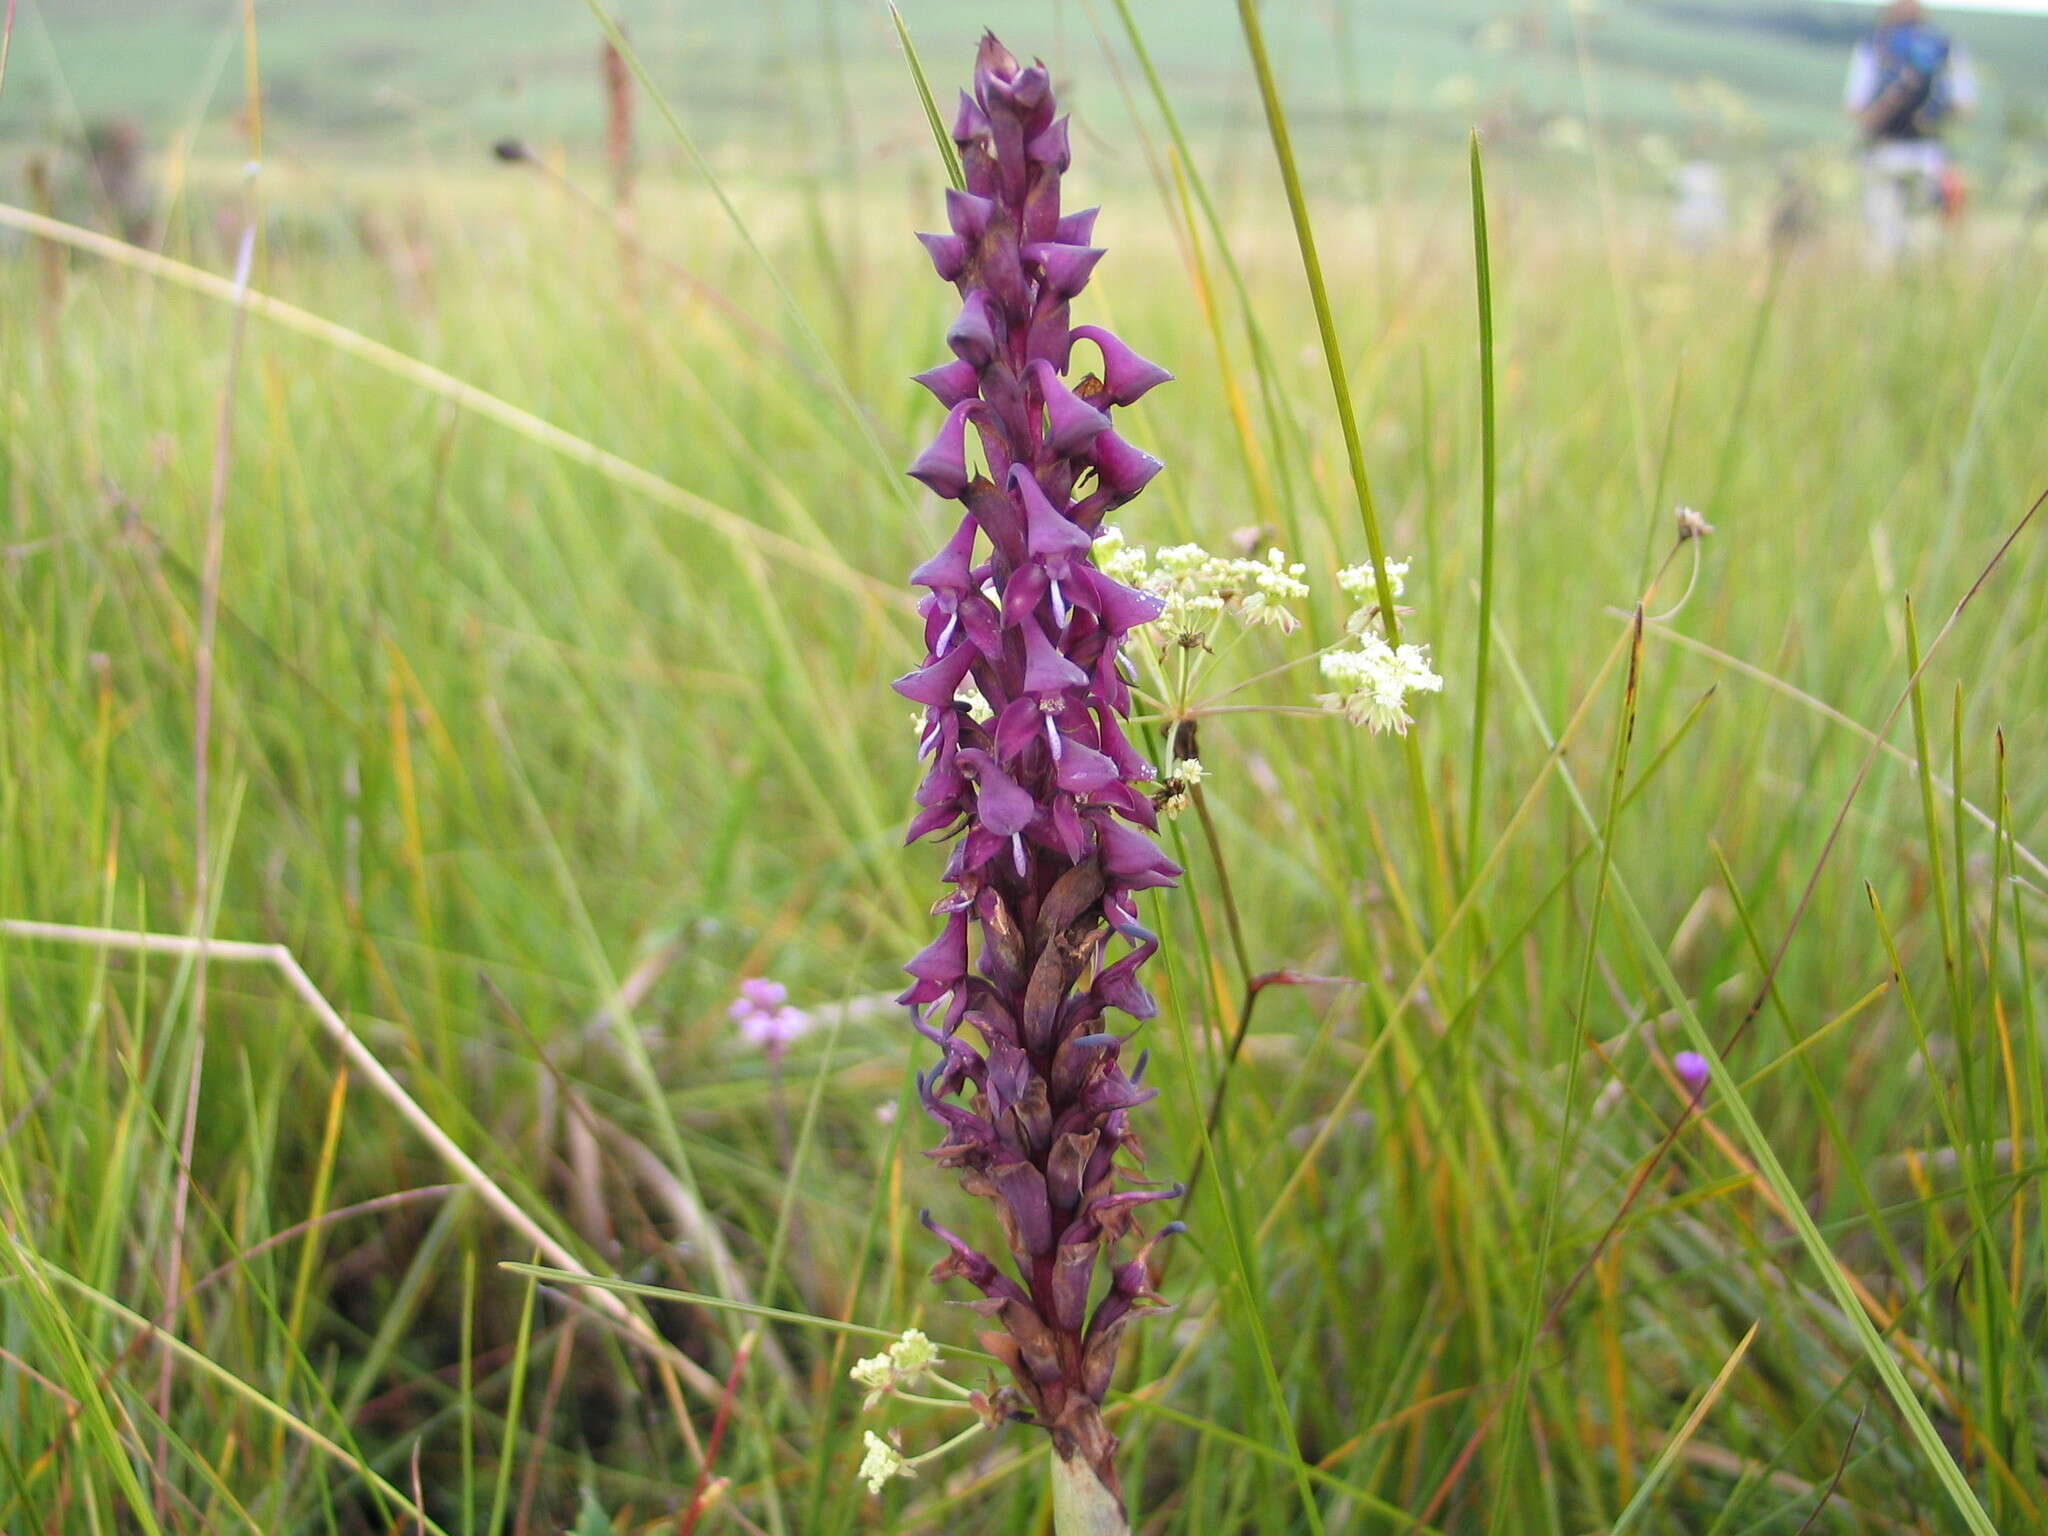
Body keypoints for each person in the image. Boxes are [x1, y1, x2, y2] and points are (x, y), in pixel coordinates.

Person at [1843, 0, 1977, 266]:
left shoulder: (1873, 46)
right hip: (1929, 154)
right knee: (1924, 234)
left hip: (1883, 152)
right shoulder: (1945, 46)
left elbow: (1854, 106)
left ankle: (1883, 292)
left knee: (1882, 237)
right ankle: (1920, 287)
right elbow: (1965, 106)